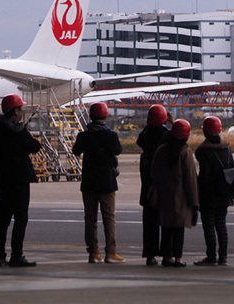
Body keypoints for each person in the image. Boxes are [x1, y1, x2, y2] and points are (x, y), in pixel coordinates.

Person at [0, 94, 41, 267]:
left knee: (3, 218)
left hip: (3, 177)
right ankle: (16, 255)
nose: (22, 113)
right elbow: (35, 147)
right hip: (20, 179)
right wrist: (28, 135)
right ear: (15, 111)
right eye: (20, 109)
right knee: (21, 218)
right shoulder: (19, 131)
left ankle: (0, 256)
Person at [71, 101, 124, 263]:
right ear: (105, 116)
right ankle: (111, 252)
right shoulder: (111, 135)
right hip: (107, 181)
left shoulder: (83, 136)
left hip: (89, 181)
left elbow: (75, 151)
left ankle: (93, 252)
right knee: (109, 217)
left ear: (91, 116)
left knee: (90, 218)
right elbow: (118, 151)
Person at [150, 118, 199, 267]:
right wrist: (194, 201)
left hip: (165, 195)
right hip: (181, 197)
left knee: (166, 228)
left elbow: (154, 172)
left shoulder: (161, 150)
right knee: (179, 229)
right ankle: (177, 258)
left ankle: (167, 256)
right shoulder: (185, 152)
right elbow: (190, 178)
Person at [193, 116, 234, 266]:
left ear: (205, 132)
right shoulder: (227, 148)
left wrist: (198, 187)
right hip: (224, 192)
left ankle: (211, 256)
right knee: (221, 224)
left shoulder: (204, 151)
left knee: (209, 224)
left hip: (209, 194)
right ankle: (223, 257)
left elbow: (205, 175)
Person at [137, 104, 168, 265]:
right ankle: (167, 253)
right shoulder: (166, 137)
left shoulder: (144, 137)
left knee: (149, 225)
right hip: (164, 189)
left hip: (148, 190)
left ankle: (150, 254)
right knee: (167, 223)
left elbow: (140, 139)